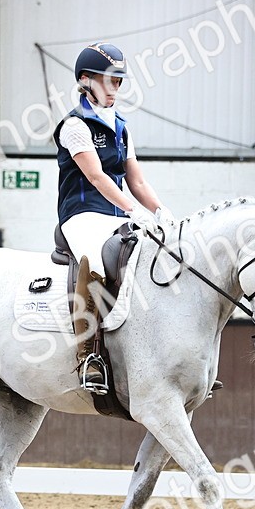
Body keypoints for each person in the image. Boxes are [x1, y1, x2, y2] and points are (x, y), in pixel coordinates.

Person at [53, 42, 172, 394]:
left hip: (116, 214)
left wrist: (161, 212)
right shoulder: (74, 125)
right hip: (82, 214)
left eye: (118, 82)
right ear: (85, 80)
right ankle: (88, 355)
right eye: (108, 81)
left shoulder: (121, 127)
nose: (114, 89)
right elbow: (96, 177)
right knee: (96, 262)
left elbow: (137, 181)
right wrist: (134, 210)